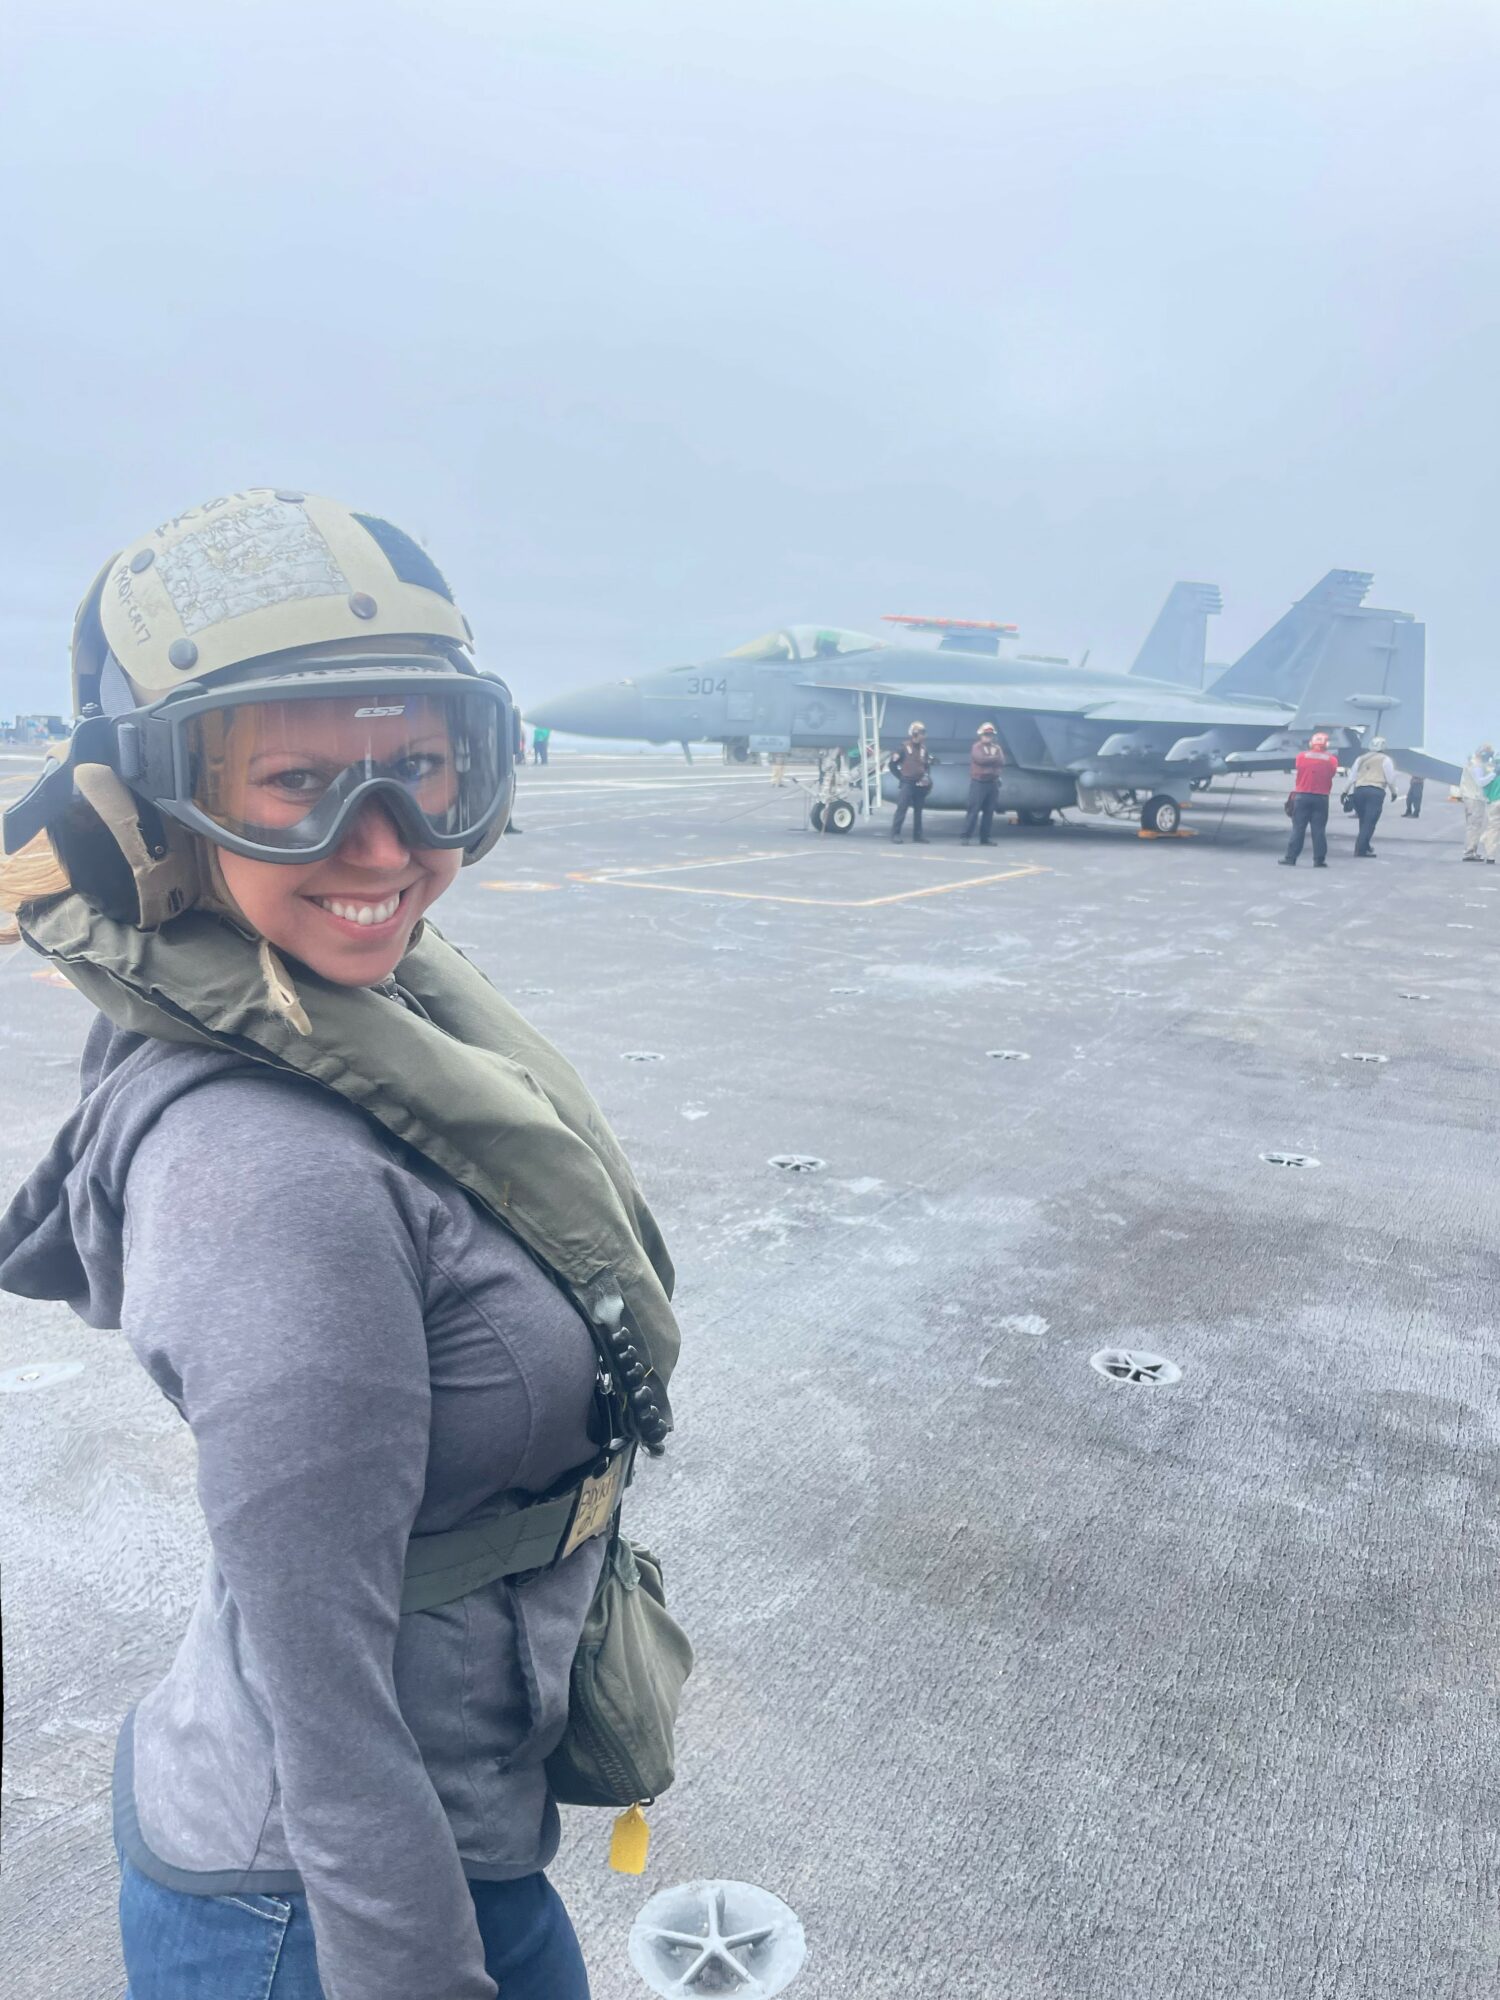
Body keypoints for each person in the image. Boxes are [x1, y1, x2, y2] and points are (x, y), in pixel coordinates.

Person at [0, 490, 684, 2000]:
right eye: (295, 784)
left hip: (443, 1839)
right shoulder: (279, 1175)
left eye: (424, 770)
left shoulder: (356, 1012)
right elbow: (324, 1687)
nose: (382, 844)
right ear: (149, 817)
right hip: (325, 1905)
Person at [1279, 731, 1340, 867]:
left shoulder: (1301, 756)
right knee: (1319, 830)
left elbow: (1298, 768)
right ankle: (1319, 860)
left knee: (1298, 829)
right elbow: (1331, 773)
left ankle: (1291, 858)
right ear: (1327, 744)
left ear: (1311, 743)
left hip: (1302, 796)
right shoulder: (1332, 760)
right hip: (1321, 797)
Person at [1345, 735, 1399, 857]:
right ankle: (1360, 850)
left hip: (1359, 791)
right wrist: (1394, 792)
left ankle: (1365, 845)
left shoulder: (1360, 759)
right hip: (1375, 791)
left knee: (1363, 820)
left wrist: (1345, 791)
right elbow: (1390, 779)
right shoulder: (1385, 760)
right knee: (1370, 822)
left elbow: (1352, 777)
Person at [960, 722, 1005, 845]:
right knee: (973, 810)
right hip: (979, 783)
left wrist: (990, 760)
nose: (988, 737)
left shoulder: (997, 748)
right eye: (986, 734)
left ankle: (985, 838)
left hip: (992, 782)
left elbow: (1001, 761)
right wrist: (993, 759)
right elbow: (980, 760)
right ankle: (965, 836)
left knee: (989, 811)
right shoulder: (977, 747)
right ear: (981, 735)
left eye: (990, 735)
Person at [888, 722, 933, 842]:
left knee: (918, 810)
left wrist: (926, 777)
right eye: (922, 733)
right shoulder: (903, 748)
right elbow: (892, 764)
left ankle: (918, 835)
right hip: (907, 783)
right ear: (915, 734)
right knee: (902, 808)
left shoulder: (924, 749)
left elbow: (927, 766)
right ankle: (895, 834)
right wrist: (901, 777)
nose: (924, 736)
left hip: (920, 783)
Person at [1460, 744, 1493, 860]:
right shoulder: (1476, 765)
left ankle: (1472, 850)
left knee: (1473, 824)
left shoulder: (1473, 762)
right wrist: (1493, 775)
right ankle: (1469, 851)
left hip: (1470, 796)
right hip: (1474, 797)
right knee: (1474, 825)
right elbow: (1481, 782)